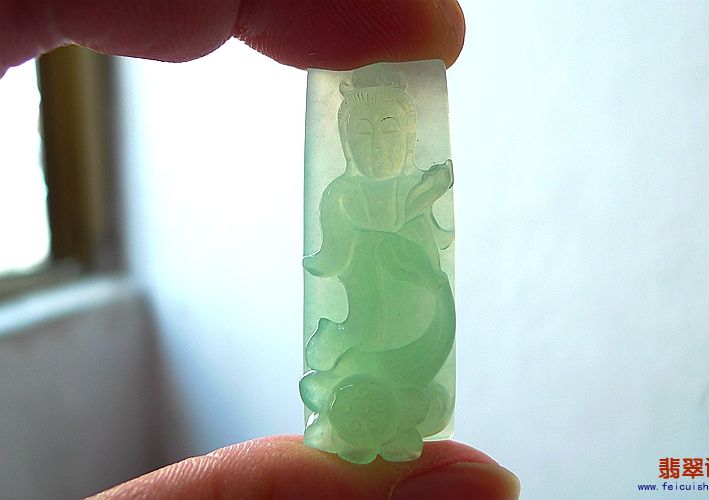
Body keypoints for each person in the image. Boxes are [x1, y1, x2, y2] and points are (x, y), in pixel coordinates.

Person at [1, 1, 520, 498]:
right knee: (350, 362)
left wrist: (422, 210)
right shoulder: (344, 193)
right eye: (361, 133)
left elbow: (424, 250)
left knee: (412, 367)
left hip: (414, 314)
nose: (375, 144)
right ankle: (363, 408)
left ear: (409, 137)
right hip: (368, 316)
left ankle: (384, 406)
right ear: (343, 140)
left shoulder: (415, 189)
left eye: (389, 130)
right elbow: (356, 240)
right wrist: (415, 201)